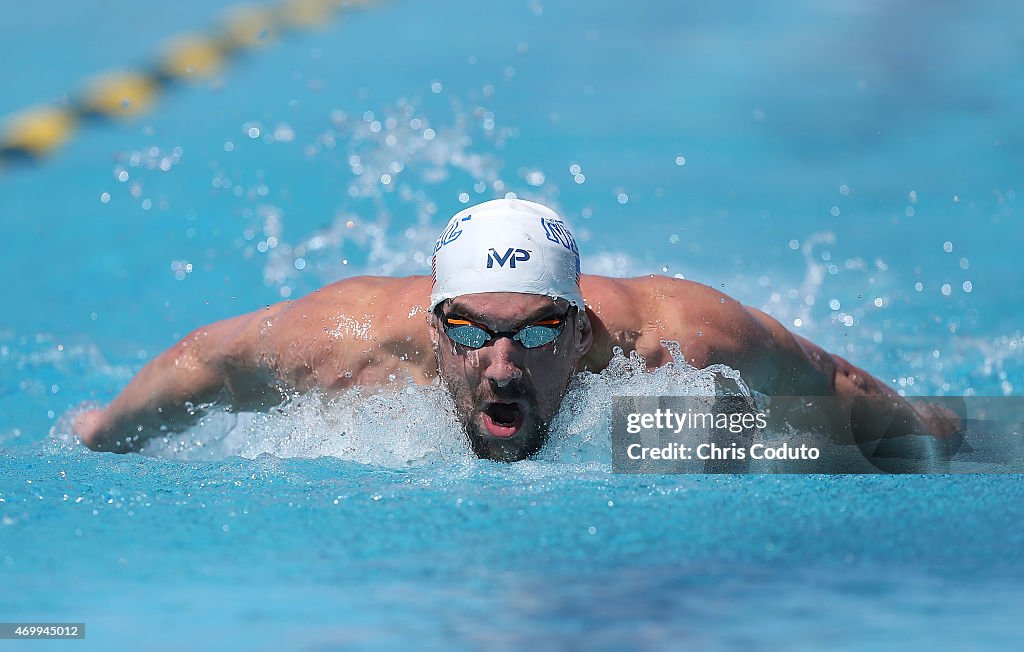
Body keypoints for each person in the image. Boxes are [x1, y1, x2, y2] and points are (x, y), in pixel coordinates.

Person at [74, 198, 956, 461]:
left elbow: (832, 382)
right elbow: (204, 361)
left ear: (581, 331)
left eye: (536, 334)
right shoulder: (343, 346)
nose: (501, 366)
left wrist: (934, 436)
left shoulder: (680, 340)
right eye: (470, 332)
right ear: (431, 326)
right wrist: (105, 433)